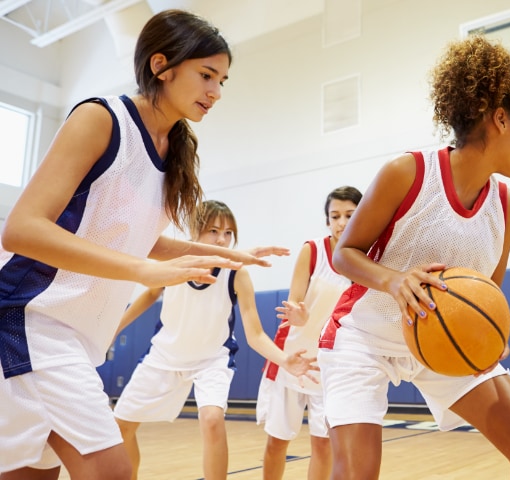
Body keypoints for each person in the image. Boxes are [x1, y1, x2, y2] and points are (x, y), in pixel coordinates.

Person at [0, 9, 276, 480]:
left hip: (77, 336)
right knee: (113, 471)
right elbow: (22, 229)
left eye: (223, 80)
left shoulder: (174, 153)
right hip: (32, 321)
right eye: (206, 75)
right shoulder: (100, 118)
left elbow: (139, 241)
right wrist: (139, 272)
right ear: (160, 65)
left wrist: (224, 256)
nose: (216, 92)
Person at [317, 35, 510, 480]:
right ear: (502, 119)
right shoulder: (407, 173)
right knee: (356, 472)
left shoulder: (509, 206)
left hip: (439, 338)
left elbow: (487, 289)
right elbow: (343, 254)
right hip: (365, 337)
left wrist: (492, 324)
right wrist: (393, 280)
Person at [113, 200, 316, 480]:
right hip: (163, 356)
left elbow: (255, 334)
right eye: (213, 231)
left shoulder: (237, 274)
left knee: (211, 419)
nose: (222, 239)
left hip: (212, 361)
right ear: (196, 232)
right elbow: (148, 295)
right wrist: (114, 328)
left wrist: (284, 360)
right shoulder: (174, 261)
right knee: (120, 427)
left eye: (228, 233)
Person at [256, 186, 362, 480]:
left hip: (330, 365)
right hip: (293, 356)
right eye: (335, 216)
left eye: (350, 215)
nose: (341, 222)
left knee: (323, 445)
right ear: (327, 220)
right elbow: (294, 303)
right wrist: (299, 315)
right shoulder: (312, 250)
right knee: (277, 442)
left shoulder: (366, 258)